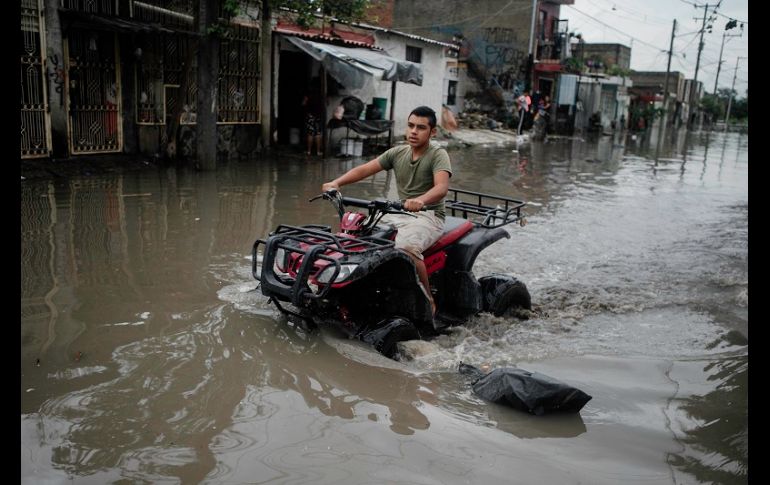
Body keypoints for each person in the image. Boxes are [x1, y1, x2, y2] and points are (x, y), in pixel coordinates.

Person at [321, 106, 452, 316]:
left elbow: (441, 188)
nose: (414, 131)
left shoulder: (438, 154)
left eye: (420, 127)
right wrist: (336, 182)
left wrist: (420, 200)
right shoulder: (398, 152)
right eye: (410, 126)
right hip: (399, 213)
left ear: (432, 132)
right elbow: (365, 169)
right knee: (357, 237)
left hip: (429, 215)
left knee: (407, 248)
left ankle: (427, 299)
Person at [302, 89, 324, 156]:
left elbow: (303, 104)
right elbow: (327, 103)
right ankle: (318, 152)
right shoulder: (321, 94)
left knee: (310, 134)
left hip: (310, 116)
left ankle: (309, 151)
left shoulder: (308, 94)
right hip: (318, 116)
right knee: (318, 134)